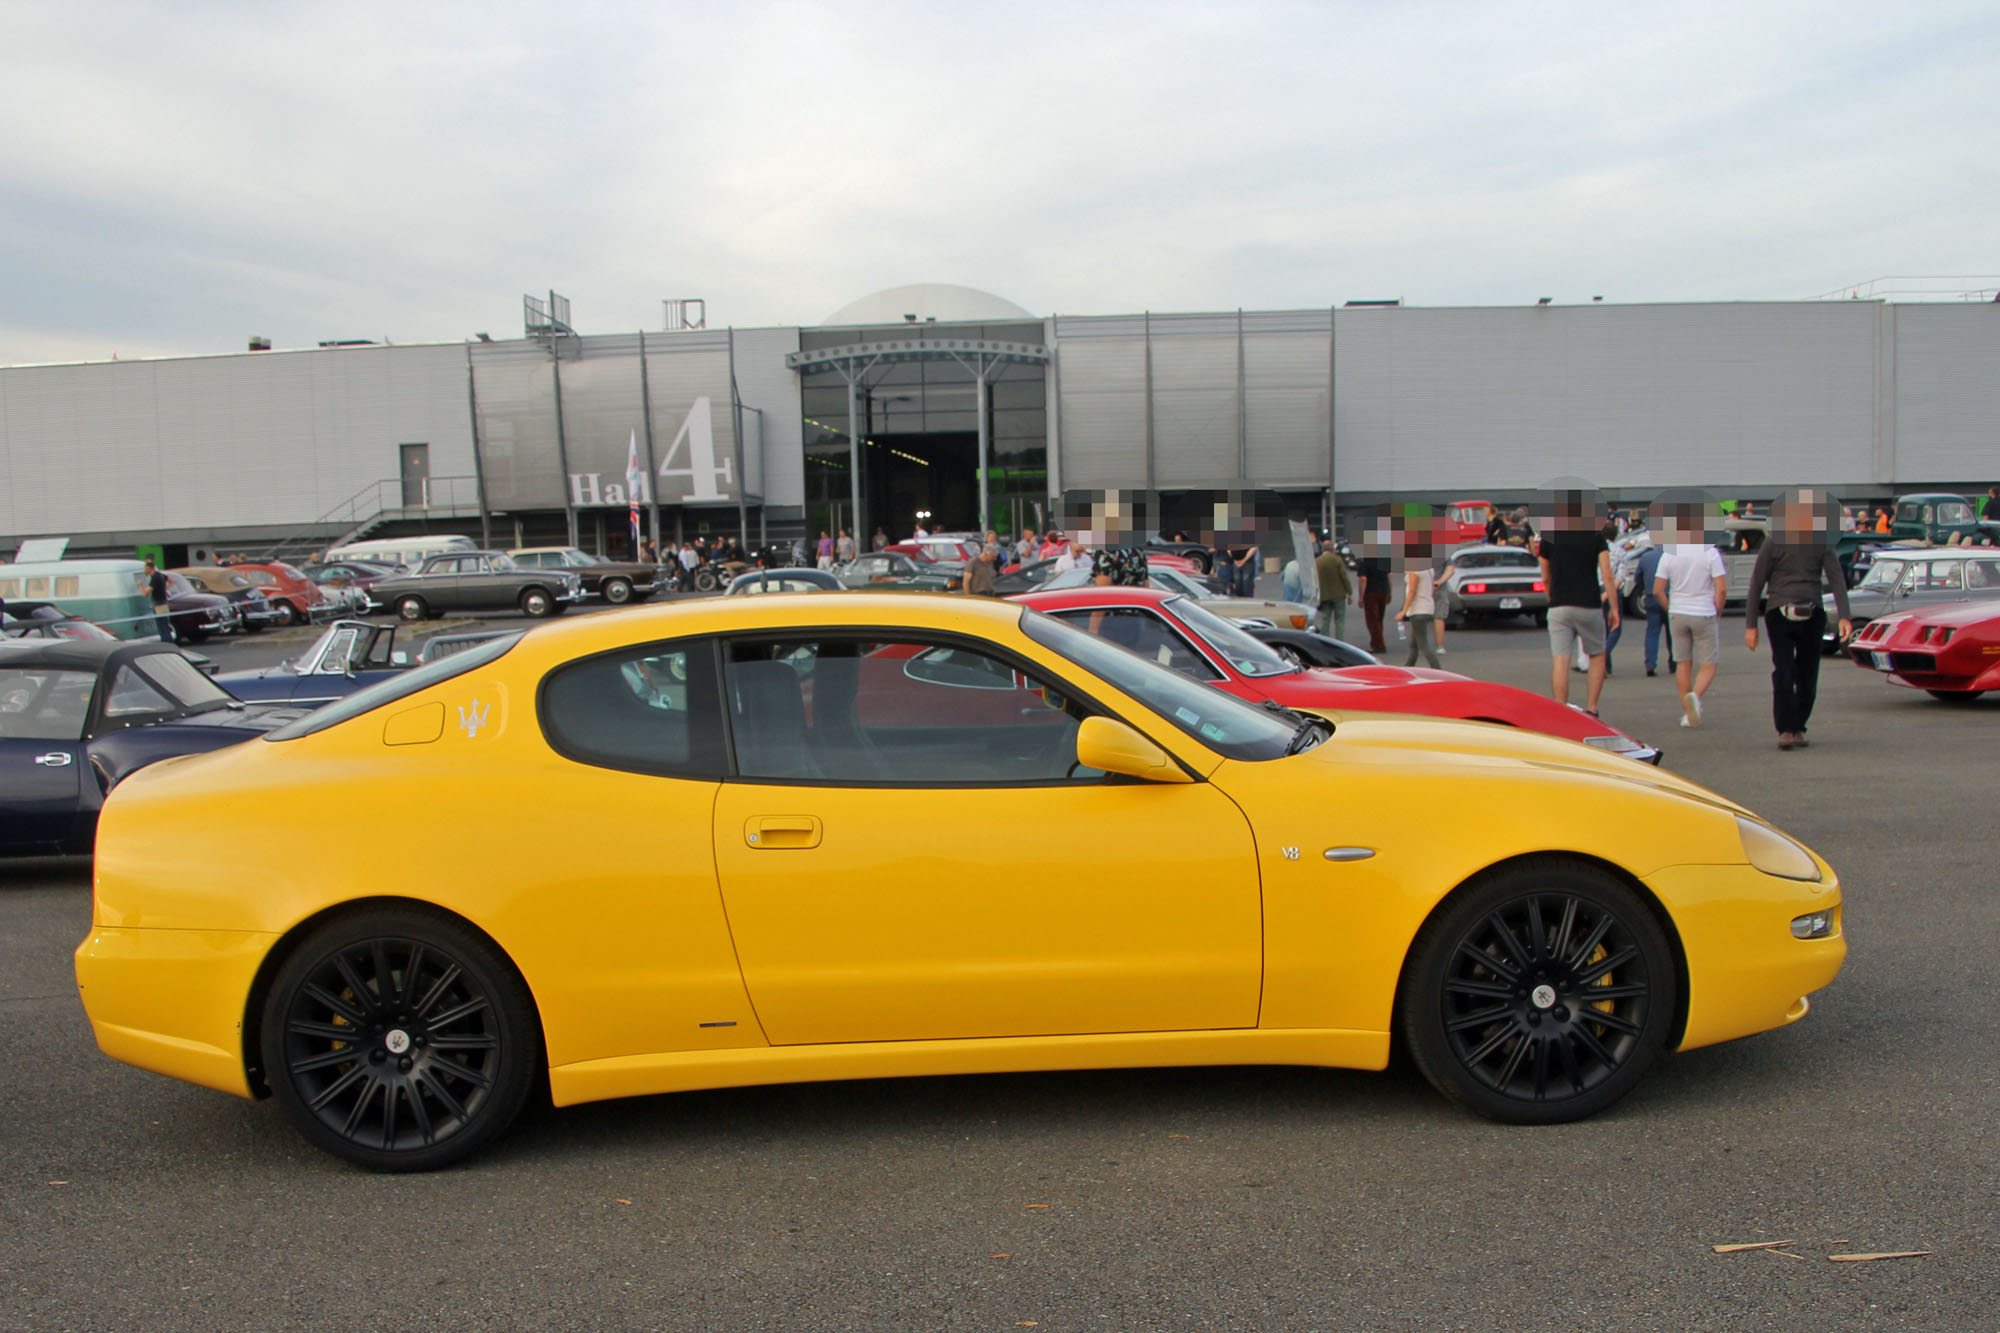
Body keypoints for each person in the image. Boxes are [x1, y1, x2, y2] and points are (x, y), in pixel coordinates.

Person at [1746, 493, 1852, 751]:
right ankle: (1786, 729)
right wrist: (1751, 625)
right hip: (1778, 613)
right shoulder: (1774, 542)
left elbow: (1836, 577)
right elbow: (1757, 581)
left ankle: (1798, 727)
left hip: (1811, 613)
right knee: (1784, 671)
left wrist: (1845, 616)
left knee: (1807, 673)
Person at [1537, 511, 1619, 715]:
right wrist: (1614, 608)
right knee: (1597, 656)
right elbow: (1607, 574)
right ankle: (1591, 708)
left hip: (1559, 605)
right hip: (1589, 604)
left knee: (1561, 660)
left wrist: (1551, 597)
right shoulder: (1596, 535)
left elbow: (1545, 577)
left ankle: (1561, 709)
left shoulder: (1548, 536)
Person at [1654, 537, 1726, 728]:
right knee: (1709, 664)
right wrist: (1717, 611)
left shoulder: (1670, 552)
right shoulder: (1710, 552)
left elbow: (1658, 590)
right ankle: (1696, 695)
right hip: (1703, 612)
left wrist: (1670, 608)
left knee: (1682, 664)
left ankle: (1687, 714)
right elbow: (1722, 589)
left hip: (1678, 612)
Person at [1634, 541, 1676, 677]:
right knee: (1672, 633)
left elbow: (1637, 578)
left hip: (1652, 597)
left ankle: (1650, 664)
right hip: (1670, 597)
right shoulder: (1673, 556)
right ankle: (1674, 663)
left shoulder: (1646, 557)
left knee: (1652, 632)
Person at [1397, 559, 1441, 668]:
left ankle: (1437, 668)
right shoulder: (1429, 569)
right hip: (1428, 606)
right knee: (1414, 643)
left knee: (1423, 643)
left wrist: (1403, 611)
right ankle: (1408, 666)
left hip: (1418, 609)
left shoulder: (1414, 569)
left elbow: (1412, 591)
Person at [1314, 541, 1355, 642]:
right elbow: (1344, 577)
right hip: (1339, 595)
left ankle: (1325, 642)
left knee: (1325, 620)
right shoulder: (1337, 560)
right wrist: (1350, 593)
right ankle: (1339, 642)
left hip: (1324, 596)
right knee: (1339, 620)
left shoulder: (1317, 561)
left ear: (1323, 550)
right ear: (1333, 550)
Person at [1355, 550, 1390, 653]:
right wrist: (1389, 592)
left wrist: (1361, 596)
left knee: (1372, 620)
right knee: (1379, 619)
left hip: (1371, 592)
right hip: (1383, 591)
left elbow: (1363, 579)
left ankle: (1379, 645)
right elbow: (1390, 575)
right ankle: (1376, 642)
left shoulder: (1365, 561)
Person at [143, 558, 173, 643]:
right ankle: (169, 641)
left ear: (149, 568)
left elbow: (145, 593)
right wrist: (166, 588)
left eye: (145, 567)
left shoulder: (154, 578)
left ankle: (166, 642)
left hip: (159, 605)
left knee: (162, 625)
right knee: (165, 624)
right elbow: (172, 580)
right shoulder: (161, 575)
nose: (144, 569)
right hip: (164, 603)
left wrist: (140, 585)